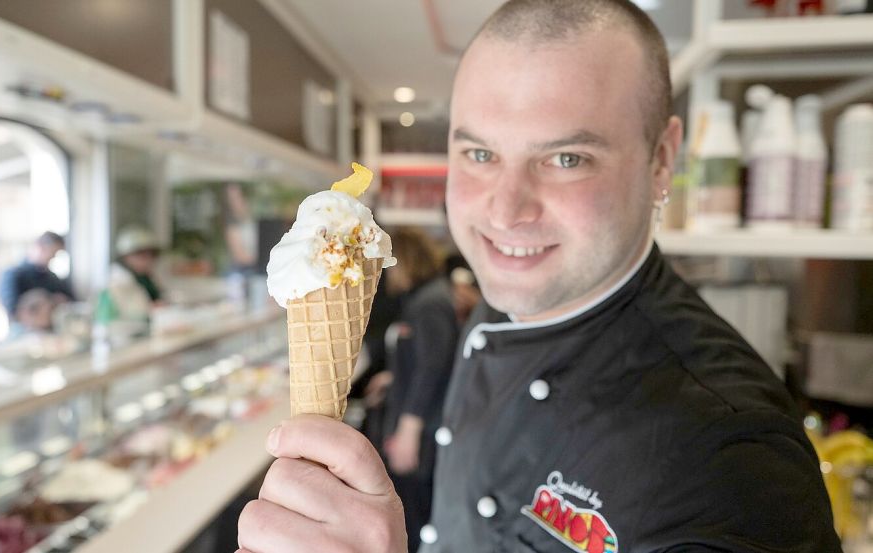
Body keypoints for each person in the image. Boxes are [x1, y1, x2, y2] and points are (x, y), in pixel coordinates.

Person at [236, 1, 840, 552]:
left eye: (566, 159)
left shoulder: (733, 458)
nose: (504, 212)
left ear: (662, 160)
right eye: (479, 154)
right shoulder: (509, 298)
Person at [365, 228, 458, 553]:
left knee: (411, 515)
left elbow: (433, 369)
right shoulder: (429, 297)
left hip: (420, 429)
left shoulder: (430, 303)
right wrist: (393, 378)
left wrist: (408, 431)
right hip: (416, 420)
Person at [0, 231, 74, 325]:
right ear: (40, 247)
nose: (53, 258)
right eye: (52, 253)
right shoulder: (13, 275)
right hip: (24, 331)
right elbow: (13, 310)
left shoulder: (52, 278)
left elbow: (71, 300)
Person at [106, 227, 163, 323]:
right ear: (126, 257)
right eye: (142, 256)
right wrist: (153, 308)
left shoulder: (145, 277)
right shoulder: (118, 280)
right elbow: (132, 312)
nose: (148, 260)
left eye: (151, 255)